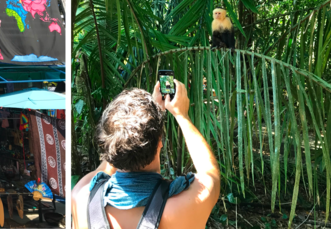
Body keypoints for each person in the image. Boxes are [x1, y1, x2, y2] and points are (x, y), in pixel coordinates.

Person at [71, 79, 221, 229]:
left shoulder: (81, 199)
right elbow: (210, 173)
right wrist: (181, 115)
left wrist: (122, 135)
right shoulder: (185, 206)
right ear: (160, 141)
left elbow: (103, 167)